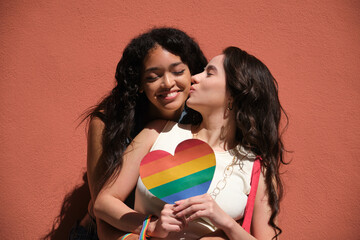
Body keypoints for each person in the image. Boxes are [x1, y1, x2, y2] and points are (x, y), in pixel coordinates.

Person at [93, 46, 287, 240]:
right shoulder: (157, 132)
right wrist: (151, 226)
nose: (195, 77)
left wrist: (226, 223)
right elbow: (103, 202)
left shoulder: (256, 167)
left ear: (233, 95)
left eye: (209, 73)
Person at [69, 27, 207, 240]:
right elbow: (104, 220)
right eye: (153, 77)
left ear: (192, 74)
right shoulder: (108, 123)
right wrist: (150, 228)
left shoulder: (202, 118)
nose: (168, 83)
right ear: (140, 83)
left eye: (178, 72)